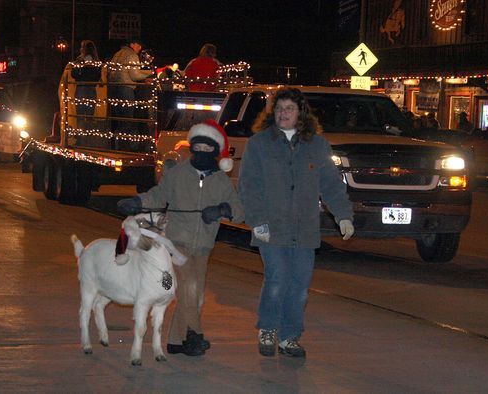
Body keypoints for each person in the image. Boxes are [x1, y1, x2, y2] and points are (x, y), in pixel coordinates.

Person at [238, 87, 354, 359]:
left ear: (301, 112)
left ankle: (290, 337)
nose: (283, 114)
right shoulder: (260, 144)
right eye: (279, 109)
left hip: (304, 229)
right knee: (277, 278)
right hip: (271, 227)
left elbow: (331, 185)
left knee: (300, 286)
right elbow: (249, 187)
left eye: (289, 109)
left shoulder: (317, 145)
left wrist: (343, 215)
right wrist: (257, 221)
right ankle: (267, 328)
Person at [117, 119, 244, 357]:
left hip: (204, 246)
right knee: (189, 287)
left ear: (216, 152)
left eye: (208, 149)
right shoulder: (177, 174)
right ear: (192, 147)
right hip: (177, 243)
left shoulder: (221, 180)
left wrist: (222, 209)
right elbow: (159, 195)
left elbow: (239, 210)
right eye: (198, 148)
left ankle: (176, 341)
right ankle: (195, 335)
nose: (202, 153)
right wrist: (138, 202)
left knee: (193, 296)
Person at [108, 38, 153, 137]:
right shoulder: (132, 55)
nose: (140, 48)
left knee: (119, 119)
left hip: (114, 88)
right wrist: (151, 72)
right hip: (126, 89)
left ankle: (115, 142)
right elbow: (135, 75)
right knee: (128, 119)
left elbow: (110, 71)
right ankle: (122, 143)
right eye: (138, 45)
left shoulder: (117, 54)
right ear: (132, 44)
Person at [72, 40, 101, 127]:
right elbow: (97, 76)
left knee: (80, 114)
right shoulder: (96, 61)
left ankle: (80, 138)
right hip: (92, 88)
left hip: (82, 87)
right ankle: (88, 136)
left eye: (82, 47)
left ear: (85, 49)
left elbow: (74, 74)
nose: (80, 49)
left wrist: (77, 69)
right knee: (90, 114)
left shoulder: (81, 60)